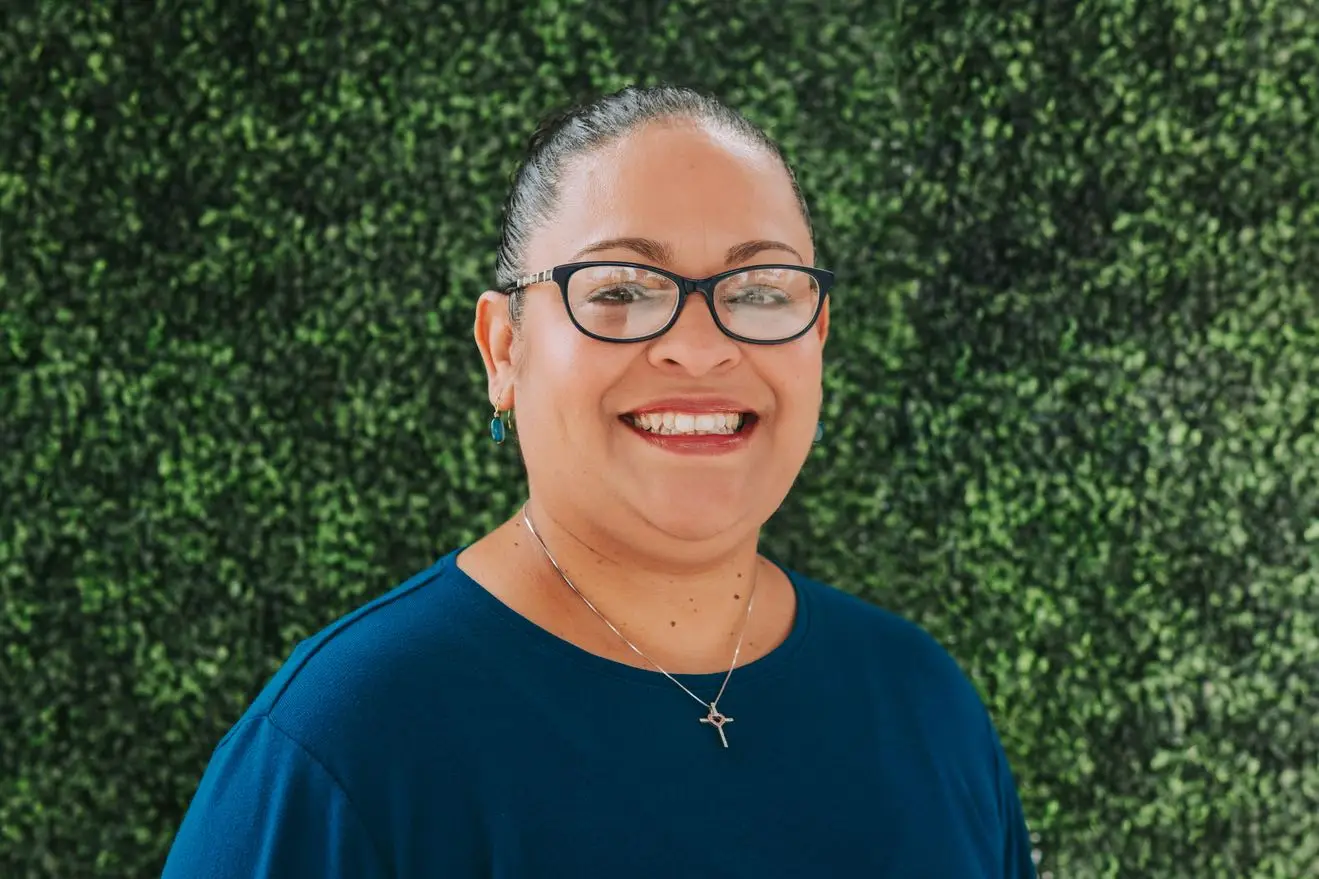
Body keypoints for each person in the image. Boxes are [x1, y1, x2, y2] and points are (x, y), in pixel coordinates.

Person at [161, 84, 1038, 878]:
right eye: (620, 289)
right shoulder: (344, 742)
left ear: (818, 338)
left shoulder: (924, 705)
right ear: (503, 350)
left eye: (761, 289)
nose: (699, 347)